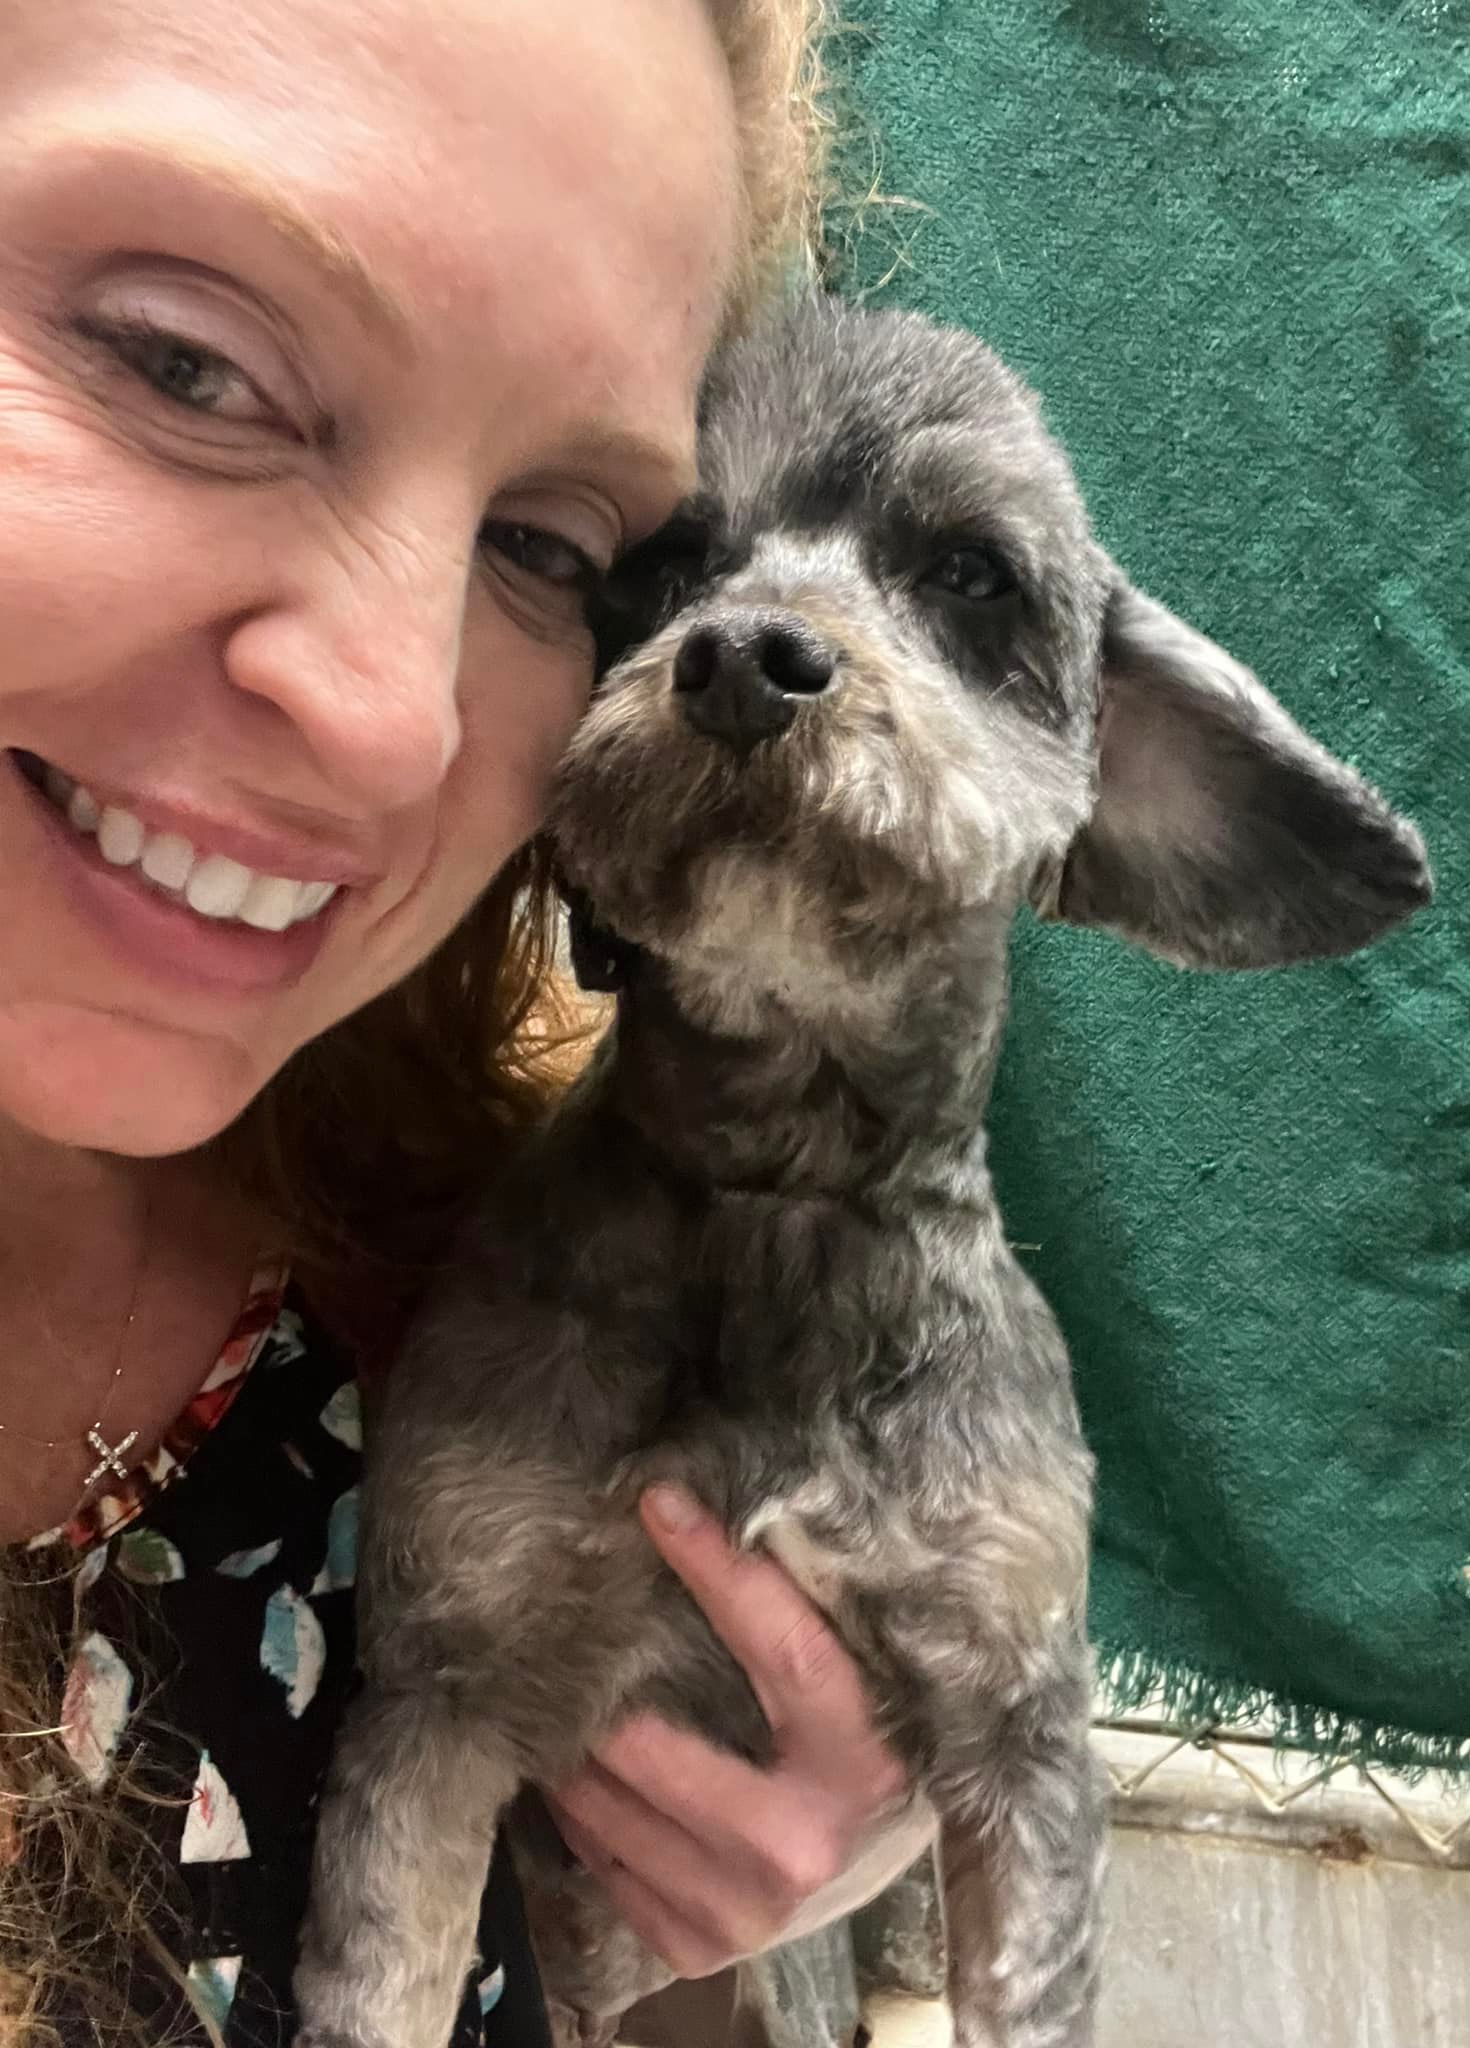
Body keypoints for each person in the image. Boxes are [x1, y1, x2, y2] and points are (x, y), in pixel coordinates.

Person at [0, 3, 932, 2040]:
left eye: (543, 548)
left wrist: (725, 1828)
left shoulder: (462, 1283)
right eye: (184, 361)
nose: (398, 720)